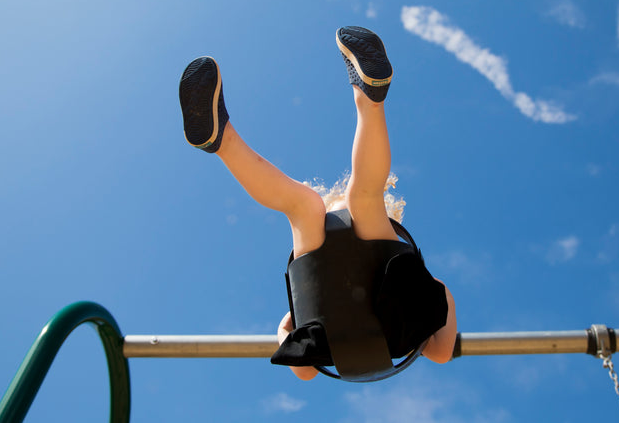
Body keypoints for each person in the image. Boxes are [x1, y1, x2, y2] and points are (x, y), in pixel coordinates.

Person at [179, 26, 457, 381]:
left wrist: (287, 326)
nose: (343, 224)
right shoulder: (398, 266)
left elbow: (305, 371)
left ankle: (223, 142)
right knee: (358, 197)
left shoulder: (319, 271)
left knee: (307, 205)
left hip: (332, 333)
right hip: (394, 320)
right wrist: (440, 292)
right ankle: (369, 100)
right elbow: (441, 352)